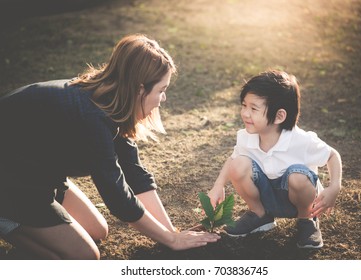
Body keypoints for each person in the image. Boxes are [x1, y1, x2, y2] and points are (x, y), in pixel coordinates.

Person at [0, 34, 220, 259]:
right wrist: (171, 240)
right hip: (13, 180)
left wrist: (172, 234)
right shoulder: (91, 118)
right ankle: (5, 220)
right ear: (139, 89)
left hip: (39, 172)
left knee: (98, 231)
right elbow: (117, 197)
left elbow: (134, 174)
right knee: (84, 257)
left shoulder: (113, 102)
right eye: (161, 90)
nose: (163, 99)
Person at [208, 70, 342, 248]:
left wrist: (335, 186)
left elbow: (332, 155)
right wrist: (218, 185)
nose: (245, 113)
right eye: (244, 105)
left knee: (298, 176)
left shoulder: (300, 140)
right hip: (267, 197)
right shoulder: (247, 137)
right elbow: (232, 160)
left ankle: (306, 222)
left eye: (253, 108)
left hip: (300, 200)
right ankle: (259, 215)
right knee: (238, 163)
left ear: (279, 116)